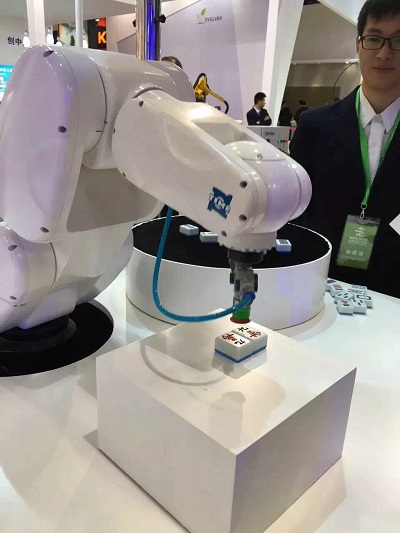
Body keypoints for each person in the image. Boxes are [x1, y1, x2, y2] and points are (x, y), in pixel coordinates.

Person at [290, 0, 400, 298]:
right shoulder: (314, 126)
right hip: (322, 289)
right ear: (358, 44)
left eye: (398, 40)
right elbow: (297, 213)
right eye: (374, 38)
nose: (384, 53)